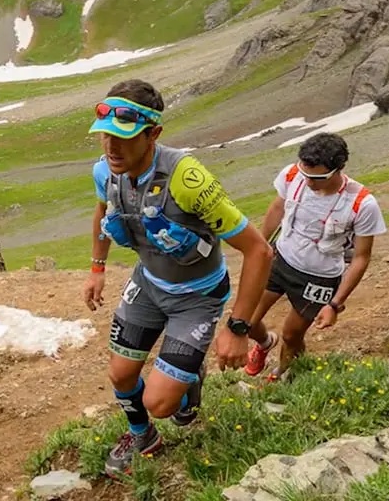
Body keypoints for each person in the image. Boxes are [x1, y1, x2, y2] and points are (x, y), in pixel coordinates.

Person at [81, 79, 274, 478]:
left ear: (154, 134)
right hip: (149, 284)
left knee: (161, 404)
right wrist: (97, 268)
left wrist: (237, 328)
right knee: (120, 374)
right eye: (104, 137)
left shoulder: (188, 180)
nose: (111, 148)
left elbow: (259, 250)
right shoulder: (105, 171)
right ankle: (143, 437)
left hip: (197, 297)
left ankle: (188, 379)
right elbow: (103, 212)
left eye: (124, 137)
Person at [242, 131, 387, 382]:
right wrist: (261, 246)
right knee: (246, 320)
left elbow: (362, 257)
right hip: (281, 259)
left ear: (337, 168)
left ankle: (285, 375)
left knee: (291, 335)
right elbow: (277, 207)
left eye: (317, 177)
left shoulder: (363, 204)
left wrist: (335, 304)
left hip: (319, 277)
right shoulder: (292, 174)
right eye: (305, 173)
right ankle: (265, 343)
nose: (309, 182)